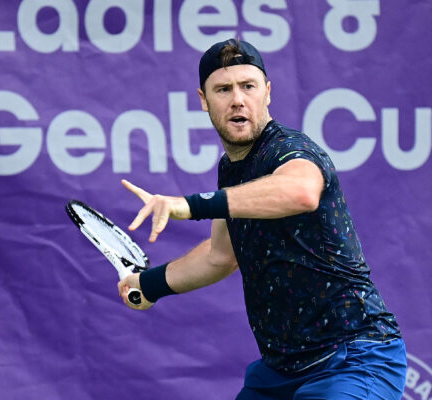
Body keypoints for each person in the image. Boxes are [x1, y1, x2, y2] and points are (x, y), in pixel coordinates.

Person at [118, 38, 407, 399]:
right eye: (223, 89)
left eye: (248, 86)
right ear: (204, 101)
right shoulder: (231, 169)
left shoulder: (290, 149)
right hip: (279, 372)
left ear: (267, 93)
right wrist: (150, 284)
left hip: (352, 357)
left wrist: (191, 205)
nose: (237, 99)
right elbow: (221, 256)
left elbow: (300, 191)